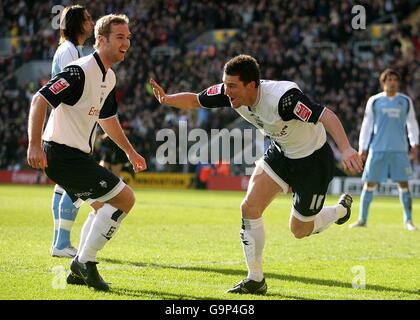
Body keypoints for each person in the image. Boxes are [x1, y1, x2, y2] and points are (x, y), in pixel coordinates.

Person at [149, 54, 363, 295]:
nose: (226, 91)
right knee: (249, 207)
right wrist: (167, 99)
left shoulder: (285, 99)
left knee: (299, 230)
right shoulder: (228, 92)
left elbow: (326, 115)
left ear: (252, 85)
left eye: (232, 86)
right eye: (225, 84)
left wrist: (345, 148)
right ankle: (255, 279)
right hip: (281, 154)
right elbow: (196, 100)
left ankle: (340, 211)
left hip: (312, 161)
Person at [27, 14, 146, 291]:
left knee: (104, 207)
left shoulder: (110, 76)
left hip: (75, 156)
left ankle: (80, 265)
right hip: (61, 153)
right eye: (120, 37)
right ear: (100, 40)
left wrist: (129, 151)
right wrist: (33, 144)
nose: (126, 43)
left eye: (128, 37)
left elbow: (107, 119)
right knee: (125, 199)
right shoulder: (79, 70)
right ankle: (84, 262)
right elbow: (40, 99)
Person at [49, 4, 94, 258]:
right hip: (70, 127)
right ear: (78, 23)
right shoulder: (69, 51)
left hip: (67, 125)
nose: (91, 22)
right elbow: (67, 89)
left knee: (63, 186)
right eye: (87, 18)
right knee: (77, 184)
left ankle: (60, 242)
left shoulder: (71, 49)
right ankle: (62, 243)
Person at [350, 69, 419, 231]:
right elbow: (367, 126)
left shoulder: (405, 101)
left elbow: (412, 124)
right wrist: (363, 148)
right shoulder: (375, 101)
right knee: (369, 183)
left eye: (395, 79)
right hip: (377, 149)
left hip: (399, 149)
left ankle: (408, 221)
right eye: (389, 79)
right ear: (383, 82)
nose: (392, 82)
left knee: (404, 184)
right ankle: (362, 219)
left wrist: (414, 144)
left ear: (398, 82)